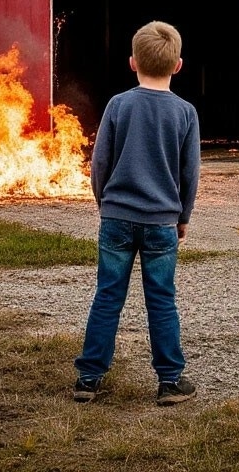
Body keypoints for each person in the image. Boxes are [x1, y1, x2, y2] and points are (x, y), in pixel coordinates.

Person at [73, 20, 201, 405]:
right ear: (178, 65)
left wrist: (104, 204)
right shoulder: (185, 113)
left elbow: (100, 164)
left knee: (107, 296)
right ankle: (169, 381)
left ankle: (89, 379)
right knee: (162, 299)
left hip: (117, 218)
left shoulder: (118, 105)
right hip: (162, 221)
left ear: (132, 63)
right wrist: (183, 216)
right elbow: (189, 172)